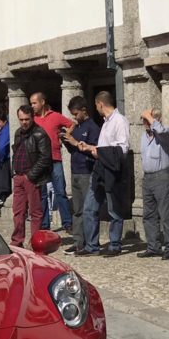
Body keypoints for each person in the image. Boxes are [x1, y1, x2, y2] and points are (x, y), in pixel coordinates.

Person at [75, 91, 129, 257]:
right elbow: (103, 149)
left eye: (96, 105)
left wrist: (97, 150)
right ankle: (92, 246)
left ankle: (115, 245)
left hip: (112, 170)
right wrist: (91, 148)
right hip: (99, 169)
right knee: (89, 208)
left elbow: (123, 148)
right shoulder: (105, 123)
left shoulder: (120, 121)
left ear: (100, 104)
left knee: (114, 209)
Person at [30, 92, 74, 233]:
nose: (32, 106)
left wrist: (65, 136)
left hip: (55, 159)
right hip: (40, 162)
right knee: (41, 194)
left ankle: (67, 223)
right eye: (31, 103)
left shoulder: (55, 116)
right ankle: (44, 225)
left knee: (60, 191)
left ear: (42, 102)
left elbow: (71, 124)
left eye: (34, 103)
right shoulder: (33, 120)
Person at [137, 108, 169, 260]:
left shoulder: (166, 133)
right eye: (144, 120)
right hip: (147, 177)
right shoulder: (143, 136)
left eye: (149, 119)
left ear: (157, 120)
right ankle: (153, 246)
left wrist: (150, 116)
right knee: (148, 214)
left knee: (166, 214)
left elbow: (160, 131)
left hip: (162, 177)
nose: (145, 122)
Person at [61, 96, 100, 255]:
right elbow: (73, 150)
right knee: (77, 209)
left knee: (88, 209)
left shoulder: (92, 127)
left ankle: (91, 243)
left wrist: (75, 142)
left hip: (87, 171)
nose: (74, 117)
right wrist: (66, 140)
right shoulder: (76, 128)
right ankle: (78, 242)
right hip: (75, 170)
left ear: (84, 111)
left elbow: (95, 150)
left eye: (76, 114)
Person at [10, 104, 52, 248]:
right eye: (21, 119)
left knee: (35, 212)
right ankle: (17, 241)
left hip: (32, 177)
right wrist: (14, 172)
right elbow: (16, 152)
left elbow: (45, 158)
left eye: (27, 119)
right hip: (19, 176)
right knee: (18, 211)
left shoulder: (40, 134)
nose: (24, 122)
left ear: (32, 118)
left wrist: (31, 175)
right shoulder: (18, 133)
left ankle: (35, 242)